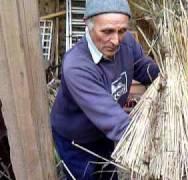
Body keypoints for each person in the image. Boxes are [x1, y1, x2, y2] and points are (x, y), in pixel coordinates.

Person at [50, 0, 159, 179]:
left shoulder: (127, 42)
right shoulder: (77, 66)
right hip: (76, 140)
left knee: (108, 174)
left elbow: (143, 67)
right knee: (86, 175)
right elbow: (114, 121)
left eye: (122, 31)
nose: (116, 40)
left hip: (104, 134)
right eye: (107, 31)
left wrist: (168, 77)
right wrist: (153, 146)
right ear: (88, 24)